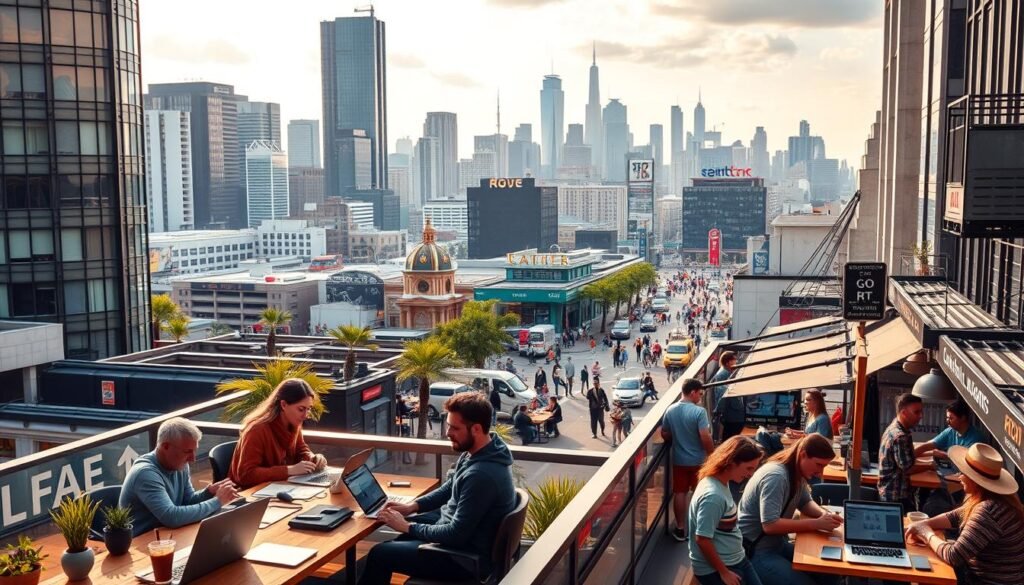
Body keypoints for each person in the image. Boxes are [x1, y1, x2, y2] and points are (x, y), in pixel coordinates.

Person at [361, 393, 516, 585]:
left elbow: (455, 535)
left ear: (476, 429)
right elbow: (449, 489)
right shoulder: (480, 452)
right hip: (461, 542)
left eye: (454, 427)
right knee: (400, 537)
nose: (447, 432)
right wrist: (412, 507)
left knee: (380, 553)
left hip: (463, 558)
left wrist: (408, 525)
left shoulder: (482, 475)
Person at [904, 443, 1024, 585]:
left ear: (976, 481)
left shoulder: (988, 512)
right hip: (994, 577)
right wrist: (925, 523)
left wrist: (926, 533)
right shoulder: (1001, 501)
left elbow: (953, 555)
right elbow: (957, 515)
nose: (959, 477)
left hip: (983, 581)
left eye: (964, 473)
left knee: (927, 569)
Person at [737, 434, 843, 585]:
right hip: (756, 552)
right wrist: (817, 524)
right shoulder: (777, 476)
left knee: (830, 573)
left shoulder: (795, 472)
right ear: (803, 455)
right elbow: (770, 525)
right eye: (819, 465)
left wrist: (826, 515)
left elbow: (805, 502)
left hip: (776, 545)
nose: (821, 473)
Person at [120, 418, 239, 536]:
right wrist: (217, 501)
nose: (193, 459)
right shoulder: (145, 474)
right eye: (187, 451)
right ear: (165, 446)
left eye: (194, 451)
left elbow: (187, 501)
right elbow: (172, 517)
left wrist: (208, 492)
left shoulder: (179, 464)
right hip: (143, 544)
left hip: (169, 535)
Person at [689, 436, 765, 585]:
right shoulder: (713, 497)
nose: (750, 474)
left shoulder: (721, 482)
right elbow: (702, 539)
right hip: (721, 568)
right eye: (748, 468)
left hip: (737, 559)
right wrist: (724, 572)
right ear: (730, 463)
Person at [228, 378, 328, 488]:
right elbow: (246, 475)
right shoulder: (257, 430)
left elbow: (301, 449)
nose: (306, 415)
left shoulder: (293, 423)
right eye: (301, 409)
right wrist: (289, 470)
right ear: (284, 405)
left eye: (308, 409)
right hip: (248, 494)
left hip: (278, 488)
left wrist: (313, 459)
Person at [661, 378, 716, 541]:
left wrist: (676, 437)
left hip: (679, 460)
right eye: (699, 393)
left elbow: (665, 433)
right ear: (692, 392)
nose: (700, 397)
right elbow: (705, 436)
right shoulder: (699, 412)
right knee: (701, 494)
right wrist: (713, 456)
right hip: (699, 461)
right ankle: (701, 529)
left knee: (680, 493)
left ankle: (680, 529)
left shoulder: (670, 410)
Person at [878, 393, 930, 511]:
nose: (921, 416)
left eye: (921, 412)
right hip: (896, 496)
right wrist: (930, 467)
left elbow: (906, 458)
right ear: (904, 413)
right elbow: (908, 468)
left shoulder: (894, 428)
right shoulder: (900, 436)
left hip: (888, 493)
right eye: (916, 412)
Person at [915, 399, 982, 460]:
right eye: (947, 418)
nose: (947, 421)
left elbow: (963, 461)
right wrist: (912, 455)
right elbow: (929, 445)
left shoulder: (975, 438)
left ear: (963, 418)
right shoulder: (950, 431)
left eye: (951, 418)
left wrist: (941, 454)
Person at [711, 352, 744, 441]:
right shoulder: (723, 375)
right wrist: (718, 411)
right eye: (734, 360)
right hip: (731, 415)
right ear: (728, 362)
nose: (736, 362)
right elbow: (722, 395)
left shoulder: (728, 372)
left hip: (733, 414)